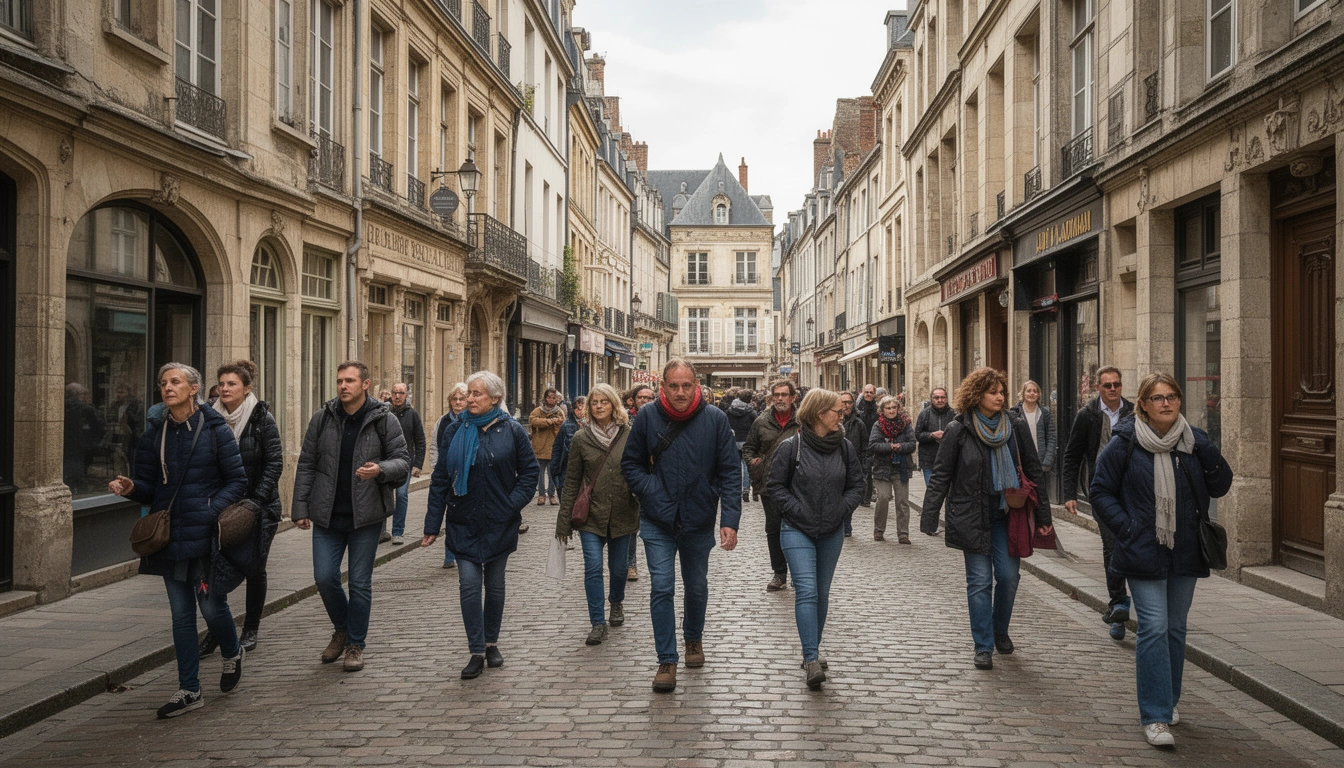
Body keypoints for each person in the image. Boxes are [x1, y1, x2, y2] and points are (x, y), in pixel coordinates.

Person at [1089, 372, 1232, 748]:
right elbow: (1100, 490)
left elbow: (1221, 485)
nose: (1166, 403)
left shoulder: (1193, 441)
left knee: (1175, 628)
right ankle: (1154, 715)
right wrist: (1128, 528)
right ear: (1144, 405)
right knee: (1153, 626)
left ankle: (1168, 700)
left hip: (1185, 549)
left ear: (1180, 401)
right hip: (1143, 548)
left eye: (1172, 397)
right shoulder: (1125, 441)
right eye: (1157, 398)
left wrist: (1206, 446)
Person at [107, 363, 248, 719]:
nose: (167, 388)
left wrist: (209, 509)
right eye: (163, 383)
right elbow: (151, 487)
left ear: (194, 389)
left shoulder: (216, 429)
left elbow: (237, 481)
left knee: (212, 608)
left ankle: (232, 652)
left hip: (204, 537)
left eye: (175, 382)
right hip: (169, 538)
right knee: (181, 616)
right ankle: (189, 689)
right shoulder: (155, 432)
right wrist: (132, 488)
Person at [621, 358, 741, 693]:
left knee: (697, 586)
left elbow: (730, 472)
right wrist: (650, 491)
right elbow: (630, 463)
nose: (680, 392)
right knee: (661, 586)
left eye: (686, 385)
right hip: (658, 518)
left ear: (696, 386)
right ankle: (666, 659)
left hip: (698, 517)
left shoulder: (715, 419)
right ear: (663, 386)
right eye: (673, 386)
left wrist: (728, 519)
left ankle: (693, 638)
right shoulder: (647, 417)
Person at [920, 367, 1051, 670]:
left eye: (1002, 392)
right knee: (979, 582)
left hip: (1008, 514)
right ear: (976, 395)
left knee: (1007, 577)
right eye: (993, 392)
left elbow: (1033, 471)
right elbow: (941, 475)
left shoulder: (1015, 426)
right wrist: (930, 516)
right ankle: (983, 645)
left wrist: (1043, 514)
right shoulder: (959, 429)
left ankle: (999, 628)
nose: (1000, 397)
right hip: (971, 515)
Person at [291, 361, 410, 673]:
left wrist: (380, 470)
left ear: (365, 384)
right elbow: (306, 463)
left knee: (359, 583)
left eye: (350, 381)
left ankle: (355, 644)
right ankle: (342, 628)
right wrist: (300, 508)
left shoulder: (383, 419)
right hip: (328, 516)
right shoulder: (323, 417)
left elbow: (402, 461)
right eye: (339, 380)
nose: (343, 386)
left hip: (366, 517)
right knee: (325, 578)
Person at [422, 371, 539, 680]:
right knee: (470, 585)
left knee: (496, 584)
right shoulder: (454, 430)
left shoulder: (511, 431)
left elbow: (529, 473)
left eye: (476, 394)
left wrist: (511, 505)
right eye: (468, 394)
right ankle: (476, 649)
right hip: (463, 519)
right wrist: (432, 524)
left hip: (500, 521)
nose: (469, 399)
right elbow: (441, 479)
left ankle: (491, 643)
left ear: (495, 399)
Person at [766, 389, 864, 690]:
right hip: (797, 529)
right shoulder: (790, 447)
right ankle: (811, 658)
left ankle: (813, 648)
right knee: (806, 589)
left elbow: (856, 485)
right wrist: (797, 510)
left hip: (831, 530)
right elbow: (775, 487)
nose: (843, 413)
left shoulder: (844, 447)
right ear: (820, 413)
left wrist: (841, 509)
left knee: (821, 593)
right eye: (837, 409)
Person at [200, 361, 283, 657]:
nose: (224, 389)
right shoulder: (208, 418)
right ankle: (218, 629)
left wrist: (256, 502)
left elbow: (274, 463)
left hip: (259, 507)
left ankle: (251, 627)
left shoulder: (262, 418)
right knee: (215, 568)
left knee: (254, 567)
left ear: (246, 388)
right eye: (221, 383)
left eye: (231, 384)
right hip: (222, 508)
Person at [555, 385, 638, 646]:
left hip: (622, 512)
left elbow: (641, 469)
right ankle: (597, 622)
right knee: (592, 566)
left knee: (619, 568)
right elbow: (571, 481)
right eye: (594, 402)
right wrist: (563, 521)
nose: (599, 406)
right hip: (590, 514)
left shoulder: (629, 434)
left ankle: (616, 602)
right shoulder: (581, 438)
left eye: (604, 402)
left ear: (614, 405)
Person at [1061, 365, 1135, 639]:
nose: (1113, 389)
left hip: (1133, 490)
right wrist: (1069, 493)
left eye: (1117, 384)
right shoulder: (1088, 415)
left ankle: (1132, 603)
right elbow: (1072, 455)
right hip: (1101, 490)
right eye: (1107, 385)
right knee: (1112, 544)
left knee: (1133, 544)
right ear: (1098, 388)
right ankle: (1118, 604)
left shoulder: (1135, 413)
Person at [742, 380, 800, 592]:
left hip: (798, 484)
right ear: (771, 397)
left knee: (798, 527)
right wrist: (752, 462)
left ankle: (798, 571)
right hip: (770, 484)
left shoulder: (803, 420)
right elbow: (749, 448)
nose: (780, 399)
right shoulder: (761, 421)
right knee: (774, 529)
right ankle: (779, 573)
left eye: (785, 394)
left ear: (793, 397)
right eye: (776, 395)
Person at [428, 383, 469, 568]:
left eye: (461, 399)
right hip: (446, 474)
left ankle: (458, 551)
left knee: (458, 514)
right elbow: (435, 445)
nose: (458, 402)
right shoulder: (442, 422)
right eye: (455, 399)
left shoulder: (472, 421)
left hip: (464, 475)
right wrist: (437, 467)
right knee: (448, 513)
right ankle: (449, 554)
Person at [868, 395, 917, 544]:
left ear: (898, 408)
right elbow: (873, 445)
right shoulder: (878, 425)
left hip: (901, 468)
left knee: (902, 502)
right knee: (883, 498)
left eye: (894, 407)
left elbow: (912, 443)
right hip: (882, 468)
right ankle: (879, 530)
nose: (891, 410)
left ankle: (903, 533)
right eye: (888, 408)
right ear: (882, 410)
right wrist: (890, 447)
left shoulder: (905, 424)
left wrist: (900, 447)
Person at [383, 383, 426, 546]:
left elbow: (420, 441)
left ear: (406, 395)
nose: (397, 396)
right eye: (394, 393)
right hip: (386, 462)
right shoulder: (384, 412)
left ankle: (398, 531)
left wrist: (418, 464)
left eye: (401, 393)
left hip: (404, 463)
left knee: (401, 495)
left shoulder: (412, 414)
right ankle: (381, 532)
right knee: (384, 496)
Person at [915, 387, 955, 529]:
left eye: (942, 397)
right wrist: (932, 435)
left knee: (951, 495)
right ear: (931, 399)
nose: (940, 400)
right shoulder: (924, 414)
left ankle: (951, 524)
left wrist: (947, 437)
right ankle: (931, 525)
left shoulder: (953, 414)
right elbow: (918, 434)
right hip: (929, 461)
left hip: (949, 462)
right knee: (933, 494)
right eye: (936, 398)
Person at [1009, 380, 1057, 490]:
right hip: (1021, 461)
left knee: (1040, 494)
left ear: (1039, 394)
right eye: (1029, 391)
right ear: (1023, 394)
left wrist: (1047, 460)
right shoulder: (1014, 413)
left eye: (1035, 391)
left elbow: (1052, 437)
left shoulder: (1045, 413)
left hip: (1040, 461)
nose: (1032, 393)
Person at [838, 391, 869, 536]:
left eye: (849, 402)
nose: (846, 406)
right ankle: (840, 524)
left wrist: (865, 465)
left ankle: (847, 524)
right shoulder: (832, 422)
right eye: (843, 402)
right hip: (836, 466)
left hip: (853, 466)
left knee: (850, 497)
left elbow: (865, 446)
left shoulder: (859, 423)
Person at [529, 388, 565, 506]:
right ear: (545, 398)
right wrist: (549, 422)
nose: (551, 400)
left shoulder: (559, 411)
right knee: (539, 473)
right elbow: (533, 421)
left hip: (552, 447)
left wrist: (555, 422)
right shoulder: (538, 410)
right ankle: (541, 495)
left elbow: (562, 424)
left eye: (553, 398)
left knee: (551, 473)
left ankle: (551, 494)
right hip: (539, 446)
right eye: (549, 397)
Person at [727, 390, 758, 503]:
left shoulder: (730, 410)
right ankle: (745, 490)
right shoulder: (751, 411)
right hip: (746, 441)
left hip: (734, 440)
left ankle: (735, 489)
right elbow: (756, 427)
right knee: (747, 467)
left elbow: (726, 424)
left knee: (736, 468)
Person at [551, 396, 587, 491]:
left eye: (583, 408)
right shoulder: (566, 426)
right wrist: (555, 474)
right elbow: (557, 449)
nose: (580, 412)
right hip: (567, 471)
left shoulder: (591, 426)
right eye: (577, 409)